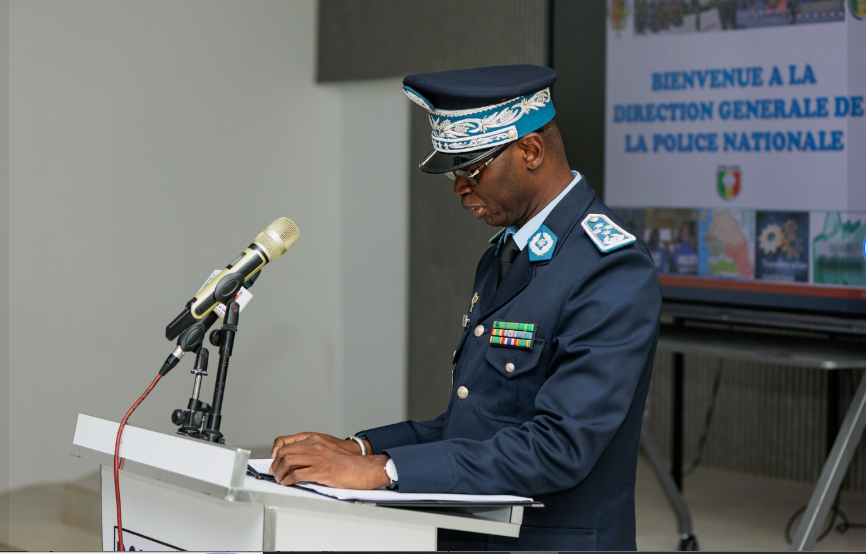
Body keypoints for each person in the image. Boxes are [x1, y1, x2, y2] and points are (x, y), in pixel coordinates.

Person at [269, 65, 661, 551]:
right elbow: (478, 421)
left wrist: (383, 471)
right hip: (473, 531)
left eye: (471, 168)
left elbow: (560, 446)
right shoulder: (505, 254)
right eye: (453, 171)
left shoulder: (610, 267)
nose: (458, 188)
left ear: (531, 151)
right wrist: (361, 446)